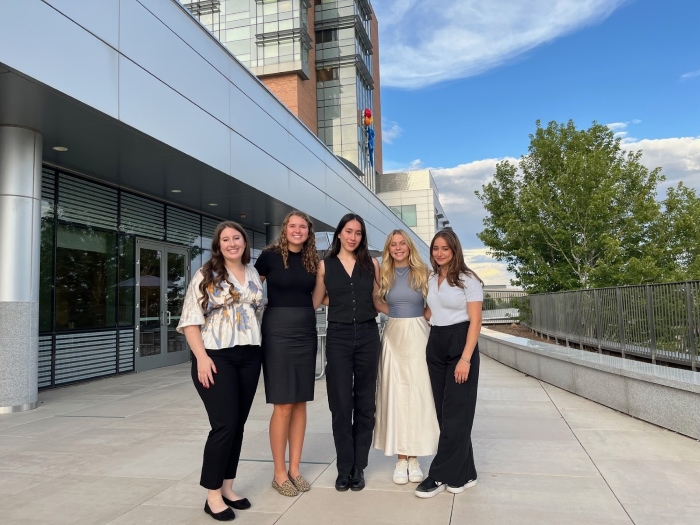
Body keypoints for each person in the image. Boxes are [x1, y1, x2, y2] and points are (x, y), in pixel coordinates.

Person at [177, 221, 264, 521]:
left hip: (250, 356)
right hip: (216, 357)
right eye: (225, 239)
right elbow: (190, 320)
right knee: (224, 425)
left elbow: (255, 312)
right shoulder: (206, 275)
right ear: (218, 245)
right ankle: (212, 495)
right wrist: (200, 357)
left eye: (236, 238)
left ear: (244, 242)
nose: (231, 243)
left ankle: (228, 487)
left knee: (238, 425)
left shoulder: (253, 273)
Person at [312, 213, 380, 492]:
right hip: (338, 336)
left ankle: (359, 468)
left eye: (358, 233)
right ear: (339, 233)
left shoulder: (372, 264)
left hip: (367, 334)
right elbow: (316, 300)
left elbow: (377, 301)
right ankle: (344, 467)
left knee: (365, 403)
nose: (353, 237)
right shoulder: (324, 266)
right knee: (340, 404)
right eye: (348, 231)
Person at [414, 230, 484, 499]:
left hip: (460, 342)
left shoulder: (468, 280)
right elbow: (430, 312)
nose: (439, 253)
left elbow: (476, 322)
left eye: (445, 248)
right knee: (445, 413)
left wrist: (465, 358)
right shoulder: (432, 278)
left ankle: (439, 474)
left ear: (455, 250)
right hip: (437, 342)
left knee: (457, 413)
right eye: (435, 248)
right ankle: (466, 472)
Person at [254, 211, 319, 497]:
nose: (297, 230)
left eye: (302, 226)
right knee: (282, 404)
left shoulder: (313, 260)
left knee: (301, 402)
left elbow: (319, 296)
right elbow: (250, 290)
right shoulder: (268, 257)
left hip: (306, 330)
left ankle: (295, 469)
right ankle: (279, 474)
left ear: (308, 231)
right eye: (292, 225)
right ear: (285, 229)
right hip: (277, 332)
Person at [373, 230, 439, 484]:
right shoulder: (384, 272)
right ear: (388, 248)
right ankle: (401, 458)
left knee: (419, 393)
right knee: (396, 395)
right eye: (393, 244)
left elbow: (436, 301)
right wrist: (397, 313)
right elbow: (376, 301)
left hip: (419, 336)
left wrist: (422, 316)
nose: (398, 248)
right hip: (393, 334)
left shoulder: (424, 272)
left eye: (402, 244)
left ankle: (415, 457)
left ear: (409, 246)